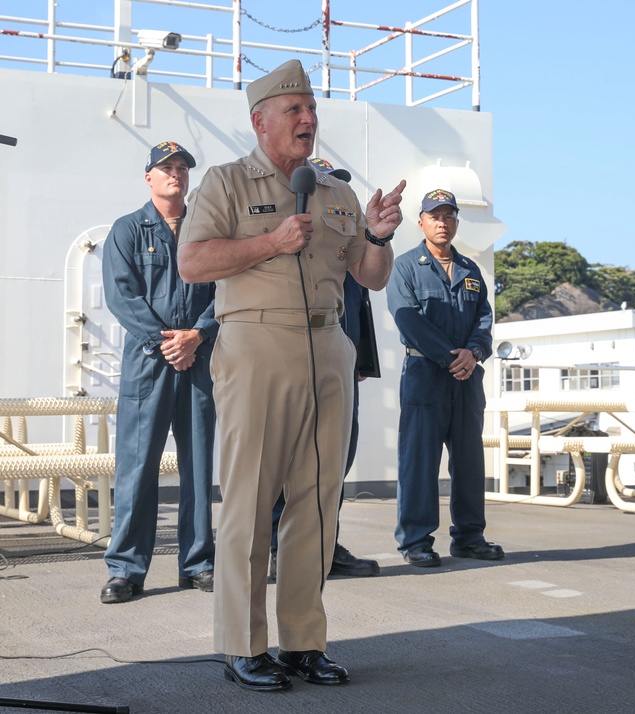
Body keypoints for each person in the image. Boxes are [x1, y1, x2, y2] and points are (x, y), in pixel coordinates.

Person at [177, 60, 404, 692]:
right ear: (261, 122)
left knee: (318, 502)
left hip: (329, 345)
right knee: (249, 499)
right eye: (294, 111)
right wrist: (270, 242)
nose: (308, 120)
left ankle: (304, 642)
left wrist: (381, 236)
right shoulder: (223, 182)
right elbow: (193, 262)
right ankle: (244, 646)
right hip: (256, 343)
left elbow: (371, 275)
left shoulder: (337, 193)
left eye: (311, 110)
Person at [100, 141, 217, 604]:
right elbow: (122, 295)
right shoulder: (128, 230)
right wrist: (169, 342)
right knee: (137, 468)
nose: (176, 174)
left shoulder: (207, 231)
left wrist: (198, 335)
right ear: (148, 177)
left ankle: (197, 563)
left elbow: (225, 291)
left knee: (199, 466)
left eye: (183, 168)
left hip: (201, 361)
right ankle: (126, 569)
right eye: (166, 168)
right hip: (150, 364)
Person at [268, 159, 380, 581]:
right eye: (322, 184)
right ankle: (280, 548)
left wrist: (362, 360)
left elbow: (360, 303)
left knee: (335, 461)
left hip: (341, 365)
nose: (330, 192)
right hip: (295, 363)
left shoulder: (344, 242)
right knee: (287, 463)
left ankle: (324, 547)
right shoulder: (295, 240)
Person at [386, 188, 504, 567]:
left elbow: (484, 320)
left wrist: (474, 353)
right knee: (418, 460)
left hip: (467, 377)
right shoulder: (405, 266)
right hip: (425, 374)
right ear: (420, 222)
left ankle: (470, 537)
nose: (442, 222)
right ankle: (416, 541)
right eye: (434, 216)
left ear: (456, 221)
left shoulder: (471, 271)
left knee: (469, 461)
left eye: (449, 215)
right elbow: (407, 317)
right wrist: (451, 357)